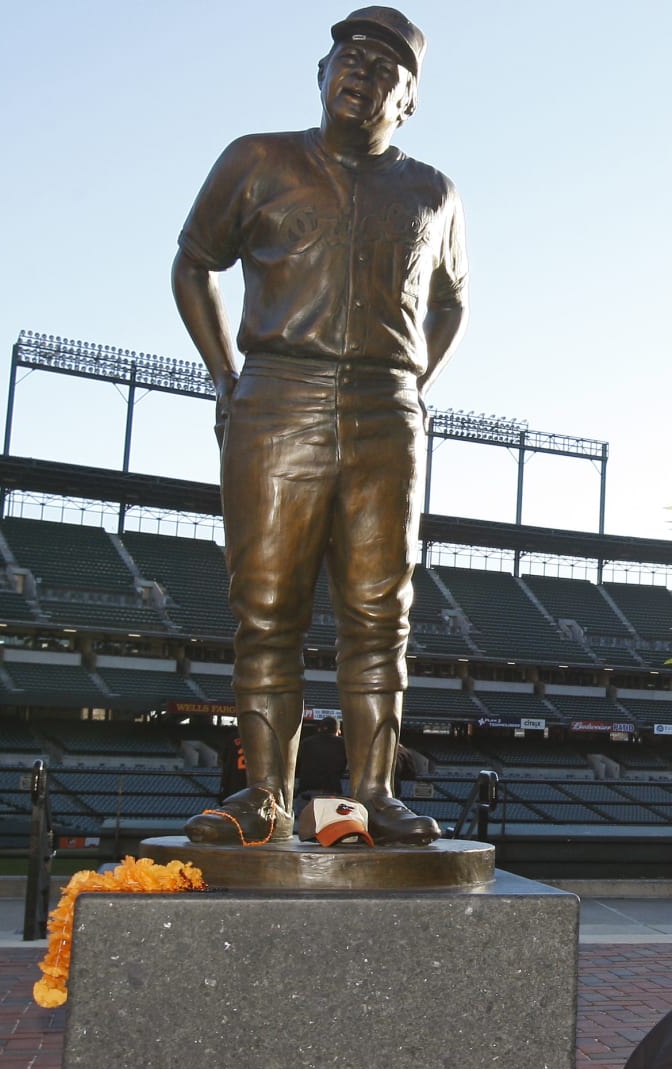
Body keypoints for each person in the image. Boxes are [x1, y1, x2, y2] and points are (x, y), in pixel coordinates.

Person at [173, 6, 465, 848]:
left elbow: (453, 303)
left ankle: (373, 793)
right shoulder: (259, 160)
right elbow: (194, 260)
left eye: (385, 69)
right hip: (279, 393)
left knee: (381, 613)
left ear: (408, 101)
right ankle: (263, 793)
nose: (361, 73)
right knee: (267, 610)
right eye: (349, 56)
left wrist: (418, 385)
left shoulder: (433, 192)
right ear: (320, 71)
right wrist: (227, 379)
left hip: (385, 407)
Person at [295, 715, 348, 799]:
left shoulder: (306, 743)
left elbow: (297, 766)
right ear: (338, 731)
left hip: (306, 792)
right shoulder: (344, 744)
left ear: (319, 729)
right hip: (331, 792)